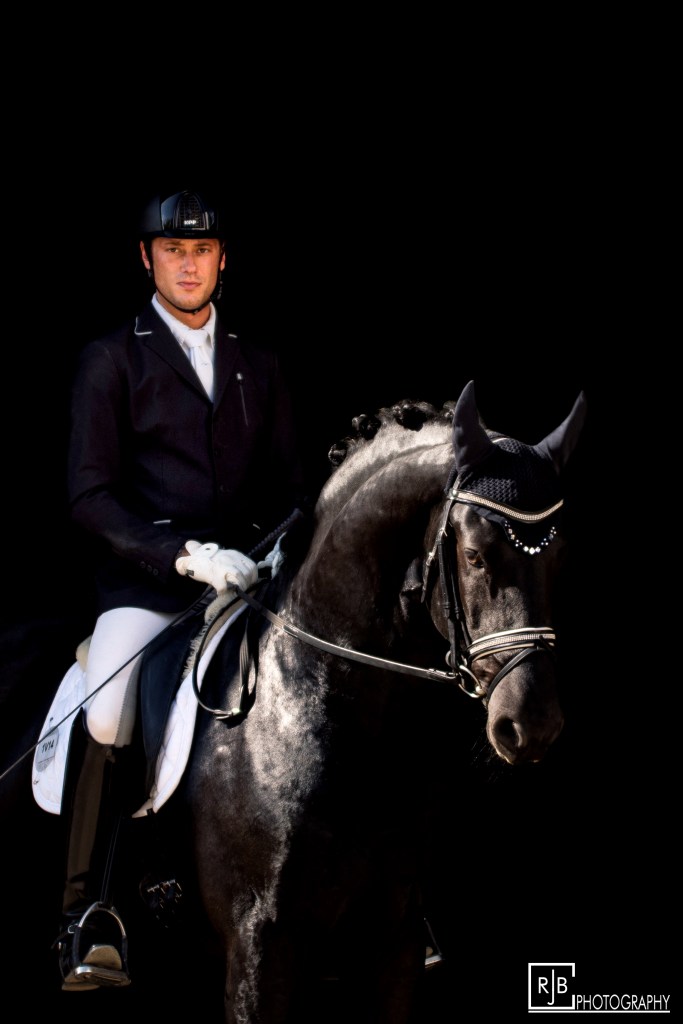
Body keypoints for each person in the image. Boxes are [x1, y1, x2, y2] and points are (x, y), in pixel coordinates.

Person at [53, 186, 306, 990]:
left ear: (223, 259)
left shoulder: (259, 364)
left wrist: (277, 549)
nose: (187, 264)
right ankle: (88, 911)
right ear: (146, 258)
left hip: (249, 579)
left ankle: (386, 894)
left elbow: (292, 487)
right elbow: (89, 496)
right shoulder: (111, 359)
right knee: (108, 707)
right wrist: (182, 557)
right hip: (150, 585)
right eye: (172, 250)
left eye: (201, 251)